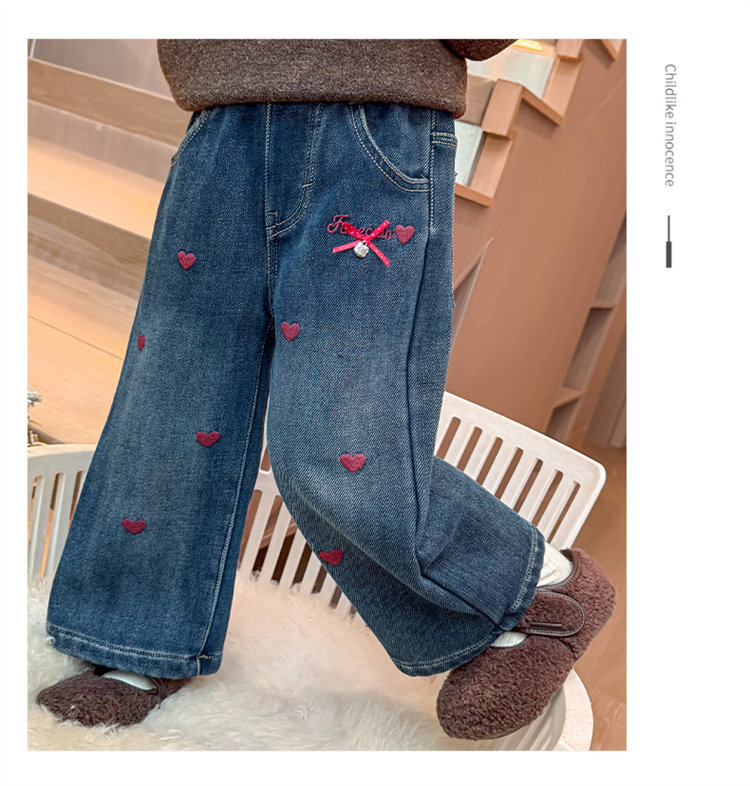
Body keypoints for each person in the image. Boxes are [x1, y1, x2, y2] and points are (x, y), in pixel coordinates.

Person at [36, 39, 615, 740]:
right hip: (220, 121)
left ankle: (540, 587)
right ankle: (140, 638)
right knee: (169, 403)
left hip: (372, 133)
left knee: (336, 447)